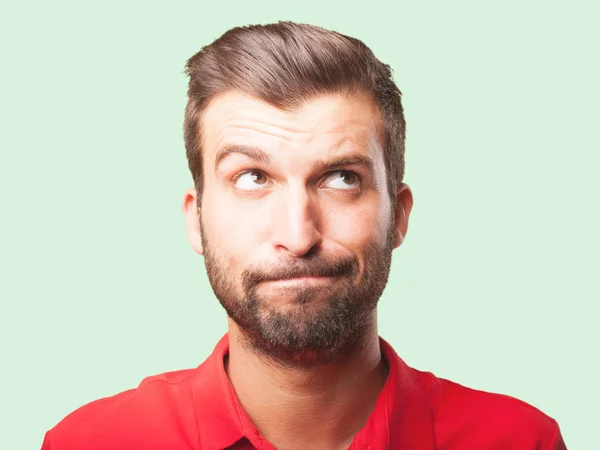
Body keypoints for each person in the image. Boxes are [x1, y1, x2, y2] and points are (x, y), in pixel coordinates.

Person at [41, 21, 567, 450]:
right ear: (195, 218)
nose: (298, 236)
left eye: (341, 179)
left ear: (398, 215)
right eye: (253, 178)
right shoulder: (90, 443)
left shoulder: (522, 441)